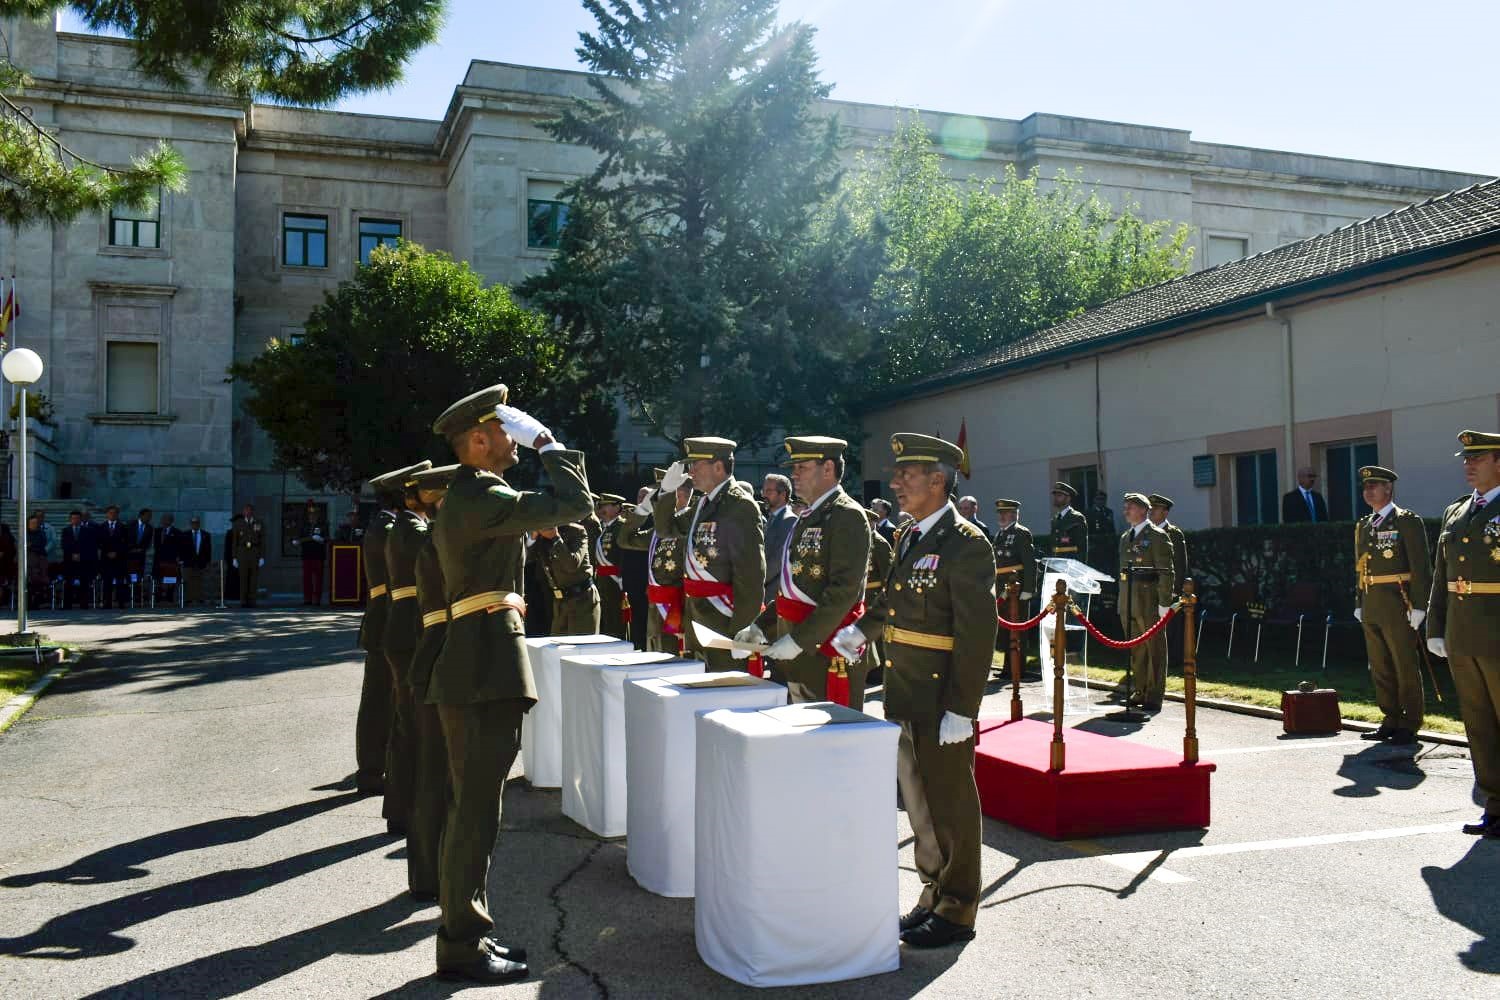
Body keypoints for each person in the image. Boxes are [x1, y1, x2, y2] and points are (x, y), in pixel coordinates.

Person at [426, 384, 589, 983]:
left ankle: (468, 933)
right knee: (473, 812)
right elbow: (576, 505)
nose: (514, 438)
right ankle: (461, 945)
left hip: (477, 663)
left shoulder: (473, 496)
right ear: (478, 440)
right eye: (504, 429)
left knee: (477, 809)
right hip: (480, 668)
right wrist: (550, 445)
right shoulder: (482, 493)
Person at [835, 433, 995, 949]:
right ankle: (932, 892)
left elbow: (977, 633)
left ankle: (959, 905)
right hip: (903, 689)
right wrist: (862, 630)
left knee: (950, 802)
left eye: (908, 475)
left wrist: (963, 708)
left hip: (940, 696)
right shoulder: (909, 535)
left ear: (938, 480)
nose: (897, 482)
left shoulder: (967, 543)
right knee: (919, 804)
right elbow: (893, 602)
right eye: (898, 474)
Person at [742, 437, 872, 707]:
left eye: (802, 467)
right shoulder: (810, 516)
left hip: (827, 652)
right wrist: (760, 625)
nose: (794, 474)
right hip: (802, 649)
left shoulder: (847, 515)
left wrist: (799, 640)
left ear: (828, 470)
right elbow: (795, 588)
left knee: (832, 744)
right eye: (794, 468)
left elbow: (843, 592)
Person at [1427, 431, 1500, 839]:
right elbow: (1443, 578)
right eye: (1466, 459)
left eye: (1478, 458)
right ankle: (1494, 806)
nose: (1468, 465)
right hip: (1464, 635)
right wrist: (1437, 627)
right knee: (1478, 724)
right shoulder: (1457, 513)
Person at [652, 437, 765, 671]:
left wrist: (742, 632)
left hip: (723, 620)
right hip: (696, 617)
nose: (690, 471)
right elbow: (665, 529)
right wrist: (665, 492)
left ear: (718, 466)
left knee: (723, 696)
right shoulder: (703, 503)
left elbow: (750, 577)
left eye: (696, 465)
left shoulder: (739, 505)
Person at [404, 464, 463, 905]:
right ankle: (430, 874)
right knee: (436, 774)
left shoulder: (434, 537)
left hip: (431, 651)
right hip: (442, 652)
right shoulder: (441, 540)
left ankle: (426, 872)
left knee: (431, 771)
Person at [381, 462, 446, 854]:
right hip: (410, 631)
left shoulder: (402, 527)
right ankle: (405, 809)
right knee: (414, 727)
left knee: (405, 723)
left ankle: (398, 806)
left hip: (400, 627)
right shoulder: (414, 530)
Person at [355, 464, 427, 800]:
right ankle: (371, 770)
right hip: (389, 620)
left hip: (384, 620)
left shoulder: (383, 525)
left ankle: (373, 768)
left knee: (381, 699)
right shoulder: (389, 527)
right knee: (382, 701)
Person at [1350, 467, 1430, 745]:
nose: (1368, 491)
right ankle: (1390, 718)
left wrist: (1420, 606)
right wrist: (1359, 601)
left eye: (1375, 486)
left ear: (1389, 490)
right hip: (1372, 602)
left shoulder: (1406, 521)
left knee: (1403, 663)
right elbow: (1359, 567)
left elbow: (1421, 566)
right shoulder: (1364, 524)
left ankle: (1410, 722)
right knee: (1380, 665)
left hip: (1399, 603)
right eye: (1366, 487)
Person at [619, 471, 694, 654]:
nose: (656, 502)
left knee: (673, 657)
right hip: (655, 601)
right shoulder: (657, 531)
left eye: (661, 496)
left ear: (678, 495)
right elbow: (625, 539)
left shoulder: (691, 525)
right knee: (654, 652)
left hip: (677, 604)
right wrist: (641, 511)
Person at [1118, 492, 1175, 711]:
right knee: (1136, 649)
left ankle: (1154, 694)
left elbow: (1166, 571)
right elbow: (1122, 572)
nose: (1126, 511)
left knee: (1154, 649)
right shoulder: (1125, 537)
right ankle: (1139, 689)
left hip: (1149, 599)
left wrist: (1164, 602)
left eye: (1130, 507)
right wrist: (1121, 602)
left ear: (1143, 509)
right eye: (1126, 507)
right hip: (1129, 600)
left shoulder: (1157, 536)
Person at [1147, 494, 1190, 672]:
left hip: (1169, 587)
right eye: (1150, 509)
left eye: (1155, 509)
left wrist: (1174, 589)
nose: (1151, 512)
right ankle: (1156, 658)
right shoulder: (1147, 532)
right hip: (1151, 587)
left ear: (1165, 512)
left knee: (1172, 627)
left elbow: (1180, 563)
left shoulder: (1173, 533)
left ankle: (1173, 660)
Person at [535, 518, 600, 634]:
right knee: (556, 649)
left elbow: (572, 564)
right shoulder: (542, 533)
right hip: (560, 602)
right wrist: (532, 539)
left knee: (581, 648)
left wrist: (555, 538)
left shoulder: (576, 531)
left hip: (582, 599)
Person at [591, 493, 630, 639]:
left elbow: (623, 556)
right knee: (607, 619)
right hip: (604, 581)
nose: (601, 509)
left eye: (606, 505)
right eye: (600, 506)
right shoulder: (607, 528)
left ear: (617, 508)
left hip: (615, 582)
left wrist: (622, 581)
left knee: (616, 620)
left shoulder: (620, 526)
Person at [992, 499, 1036, 609]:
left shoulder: (1021, 533)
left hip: (1015, 587)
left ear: (1015, 514)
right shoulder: (1000, 534)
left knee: (1016, 621)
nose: (1001, 516)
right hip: (1000, 586)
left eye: (1005, 513)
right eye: (1000, 513)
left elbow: (1029, 563)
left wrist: (1028, 590)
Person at [762, 473, 796, 607]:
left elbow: (778, 561)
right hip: (765, 592)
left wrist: (755, 582)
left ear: (783, 495)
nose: (764, 495)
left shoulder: (789, 520)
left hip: (774, 595)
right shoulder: (772, 518)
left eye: (769, 491)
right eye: (763, 490)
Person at [61, 510, 97, 610]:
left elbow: (90, 546)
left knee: (84, 582)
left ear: (81, 519)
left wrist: (81, 555)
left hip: (83, 560)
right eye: (73, 518)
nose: (75, 520)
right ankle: (67, 605)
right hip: (70, 560)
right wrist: (72, 554)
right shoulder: (66, 530)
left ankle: (84, 604)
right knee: (68, 582)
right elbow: (64, 545)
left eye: (77, 518)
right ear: (70, 520)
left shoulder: (88, 530)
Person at [233, 504, 266, 607]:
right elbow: (235, 541)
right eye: (246, 510)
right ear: (243, 512)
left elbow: (262, 540)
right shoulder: (238, 524)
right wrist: (234, 557)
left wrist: (262, 556)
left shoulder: (258, 523)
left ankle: (252, 600)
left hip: (254, 552)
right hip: (242, 552)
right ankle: (243, 600)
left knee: (253, 578)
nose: (248, 512)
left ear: (252, 512)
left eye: (249, 510)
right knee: (243, 578)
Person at [293, 511, 327, 606]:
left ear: (317, 516)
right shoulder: (304, 526)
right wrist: (296, 541)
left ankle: (317, 599)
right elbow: (298, 537)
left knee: (318, 579)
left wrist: (322, 539)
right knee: (307, 578)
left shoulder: (323, 526)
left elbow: (327, 538)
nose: (312, 517)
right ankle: (307, 599)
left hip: (318, 555)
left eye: (314, 515)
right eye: (311, 515)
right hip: (307, 555)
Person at [97, 505, 128, 608]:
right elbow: (99, 542)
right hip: (106, 559)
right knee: (107, 581)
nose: (112, 515)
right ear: (107, 514)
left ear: (117, 514)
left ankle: (121, 602)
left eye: (115, 513)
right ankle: (107, 602)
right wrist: (107, 552)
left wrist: (116, 552)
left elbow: (125, 543)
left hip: (119, 559)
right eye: (110, 513)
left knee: (120, 581)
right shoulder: (101, 527)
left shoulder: (123, 527)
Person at [1049, 483, 1089, 563]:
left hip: (1071, 564)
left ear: (1068, 499)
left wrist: (1079, 569)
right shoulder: (1055, 519)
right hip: (1057, 564)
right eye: (1055, 495)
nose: (1056, 498)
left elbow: (1082, 548)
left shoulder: (1077, 518)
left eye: (1059, 495)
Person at [180, 516, 213, 606]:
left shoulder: (206, 535)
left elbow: (208, 549)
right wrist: (181, 560)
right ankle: (189, 599)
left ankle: (199, 598)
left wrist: (208, 562)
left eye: (197, 523)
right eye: (193, 523)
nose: (195, 524)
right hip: (188, 562)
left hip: (201, 561)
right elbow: (181, 549)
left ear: (199, 524)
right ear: (191, 524)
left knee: (200, 581)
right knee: (188, 580)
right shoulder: (185, 534)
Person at [25, 512, 49, 608]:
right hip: (28, 562)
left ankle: (37, 601)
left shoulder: (41, 534)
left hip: (39, 561)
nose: (34, 525)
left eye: (35, 523)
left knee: (37, 580)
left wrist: (31, 546)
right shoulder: (25, 534)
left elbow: (41, 545)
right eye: (32, 523)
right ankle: (28, 601)